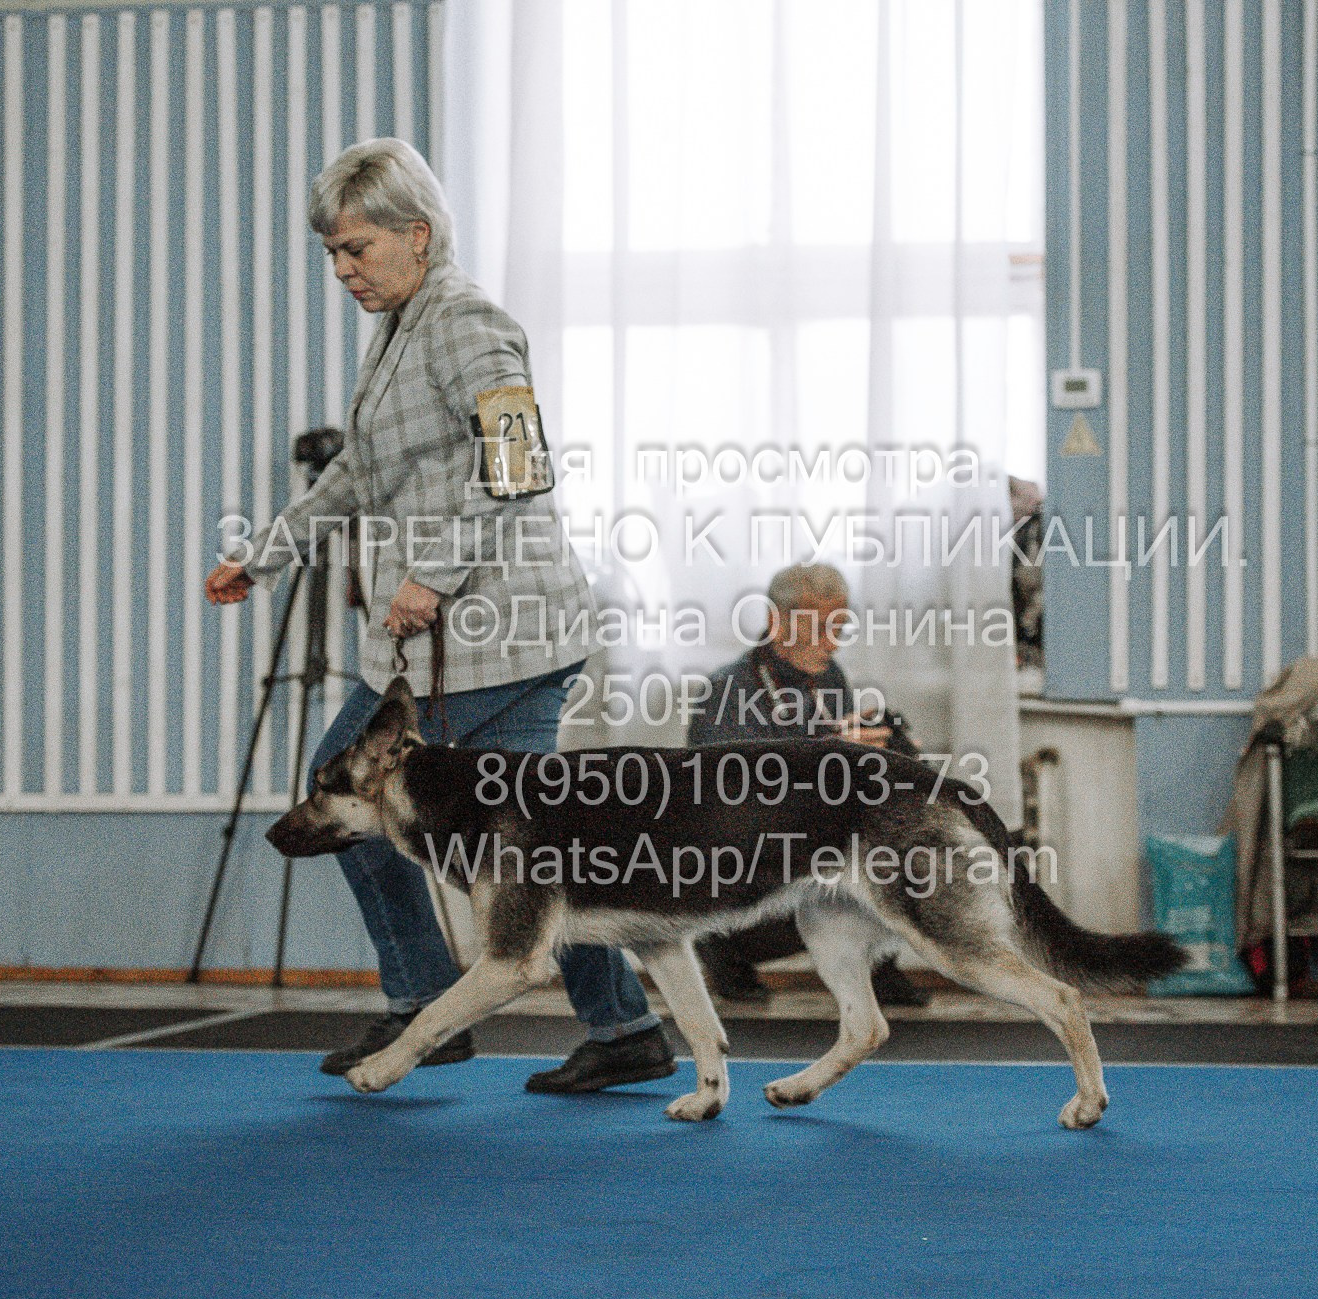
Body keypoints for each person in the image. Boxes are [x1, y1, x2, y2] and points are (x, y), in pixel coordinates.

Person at [204, 139, 674, 1094]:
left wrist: (435, 571)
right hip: (468, 639)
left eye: (355, 249)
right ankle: (617, 1026)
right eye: (333, 254)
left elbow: (517, 462)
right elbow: (359, 474)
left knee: (350, 799)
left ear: (416, 237)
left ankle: (437, 1005)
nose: (341, 270)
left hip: (497, 634)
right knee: (533, 843)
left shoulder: (463, 322)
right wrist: (266, 554)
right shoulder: (401, 326)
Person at [686, 563, 930, 1008]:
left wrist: (889, 752)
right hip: (743, 859)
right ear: (777, 622)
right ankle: (725, 946)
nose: (831, 642)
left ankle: (880, 964)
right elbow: (730, 796)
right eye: (818, 629)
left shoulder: (829, 675)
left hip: (812, 839)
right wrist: (831, 748)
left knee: (903, 844)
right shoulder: (727, 690)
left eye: (839, 627)